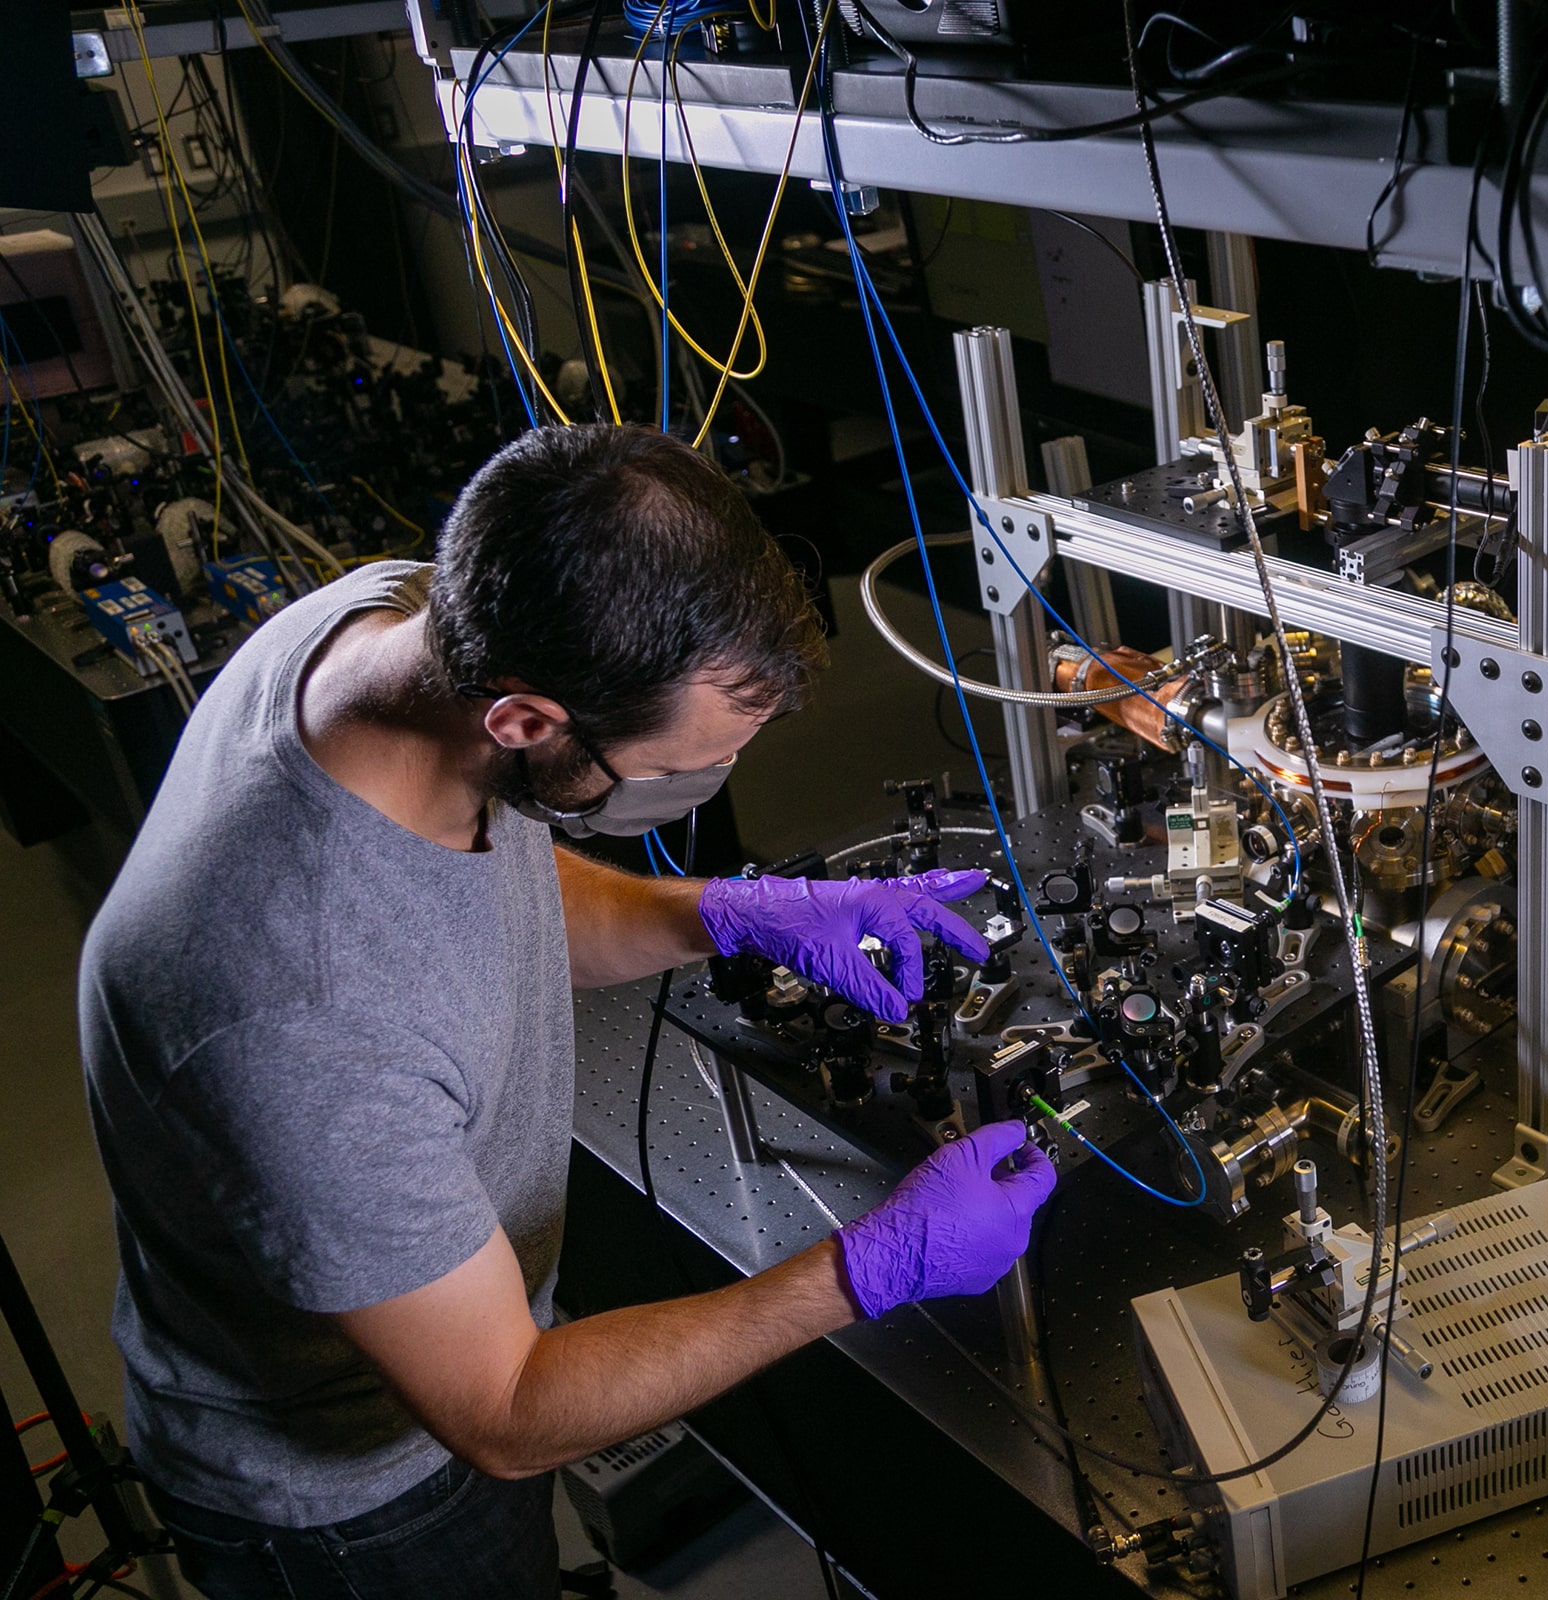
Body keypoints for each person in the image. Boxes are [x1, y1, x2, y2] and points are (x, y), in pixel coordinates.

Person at [78, 425, 1057, 1599]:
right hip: (360, 1500)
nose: (699, 790)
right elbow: (505, 1408)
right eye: (675, 768)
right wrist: (865, 1270)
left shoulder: (395, 621)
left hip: (433, 1359)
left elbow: (480, 890)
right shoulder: (295, 1007)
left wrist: (733, 911)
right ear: (525, 721)